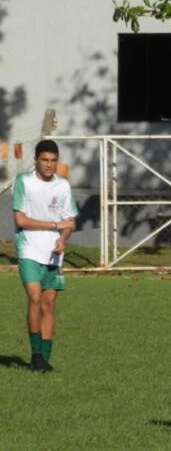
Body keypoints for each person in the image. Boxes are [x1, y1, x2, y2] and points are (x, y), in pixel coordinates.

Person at [12, 139, 78, 372]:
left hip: (53, 252)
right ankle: (36, 355)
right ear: (36, 161)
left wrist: (62, 238)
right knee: (35, 298)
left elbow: (69, 222)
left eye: (53, 160)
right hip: (29, 248)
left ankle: (44, 360)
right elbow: (20, 220)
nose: (49, 165)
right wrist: (53, 225)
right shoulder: (24, 182)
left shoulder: (63, 186)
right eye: (45, 160)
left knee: (48, 305)